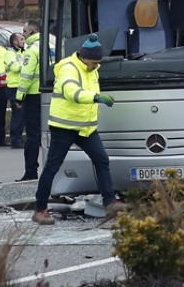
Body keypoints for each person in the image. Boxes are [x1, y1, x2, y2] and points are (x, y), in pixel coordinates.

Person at [32, 34, 126, 225]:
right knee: (52, 167)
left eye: (97, 63)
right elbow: (71, 92)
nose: (95, 66)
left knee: (101, 160)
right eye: (92, 62)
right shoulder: (69, 68)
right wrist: (96, 98)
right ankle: (40, 210)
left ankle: (109, 202)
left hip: (86, 128)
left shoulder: (92, 69)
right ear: (83, 57)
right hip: (64, 127)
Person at [17, 20, 52, 181]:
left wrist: (19, 96)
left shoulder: (32, 49)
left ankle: (31, 171)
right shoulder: (52, 44)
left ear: (32, 32)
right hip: (53, 95)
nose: (22, 35)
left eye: (24, 32)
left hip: (33, 96)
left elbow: (26, 75)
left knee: (32, 136)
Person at [7, 32, 26, 149]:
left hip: (23, 87)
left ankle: (20, 137)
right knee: (18, 114)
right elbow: (14, 67)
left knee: (24, 114)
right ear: (15, 42)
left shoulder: (24, 52)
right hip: (14, 87)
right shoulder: (10, 53)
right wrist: (27, 66)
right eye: (21, 39)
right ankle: (15, 139)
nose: (24, 41)